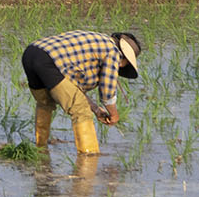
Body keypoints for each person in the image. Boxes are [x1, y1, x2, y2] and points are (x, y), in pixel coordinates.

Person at [21, 29, 142, 157]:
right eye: (124, 65)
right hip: (49, 63)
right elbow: (107, 91)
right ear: (124, 57)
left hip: (31, 53)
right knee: (81, 111)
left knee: (45, 103)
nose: (120, 67)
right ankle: (89, 156)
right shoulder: (113, 52)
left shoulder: (97, 41)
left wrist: (96, 109)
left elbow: (72, 88)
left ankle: (40, 148)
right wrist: (114, 114)